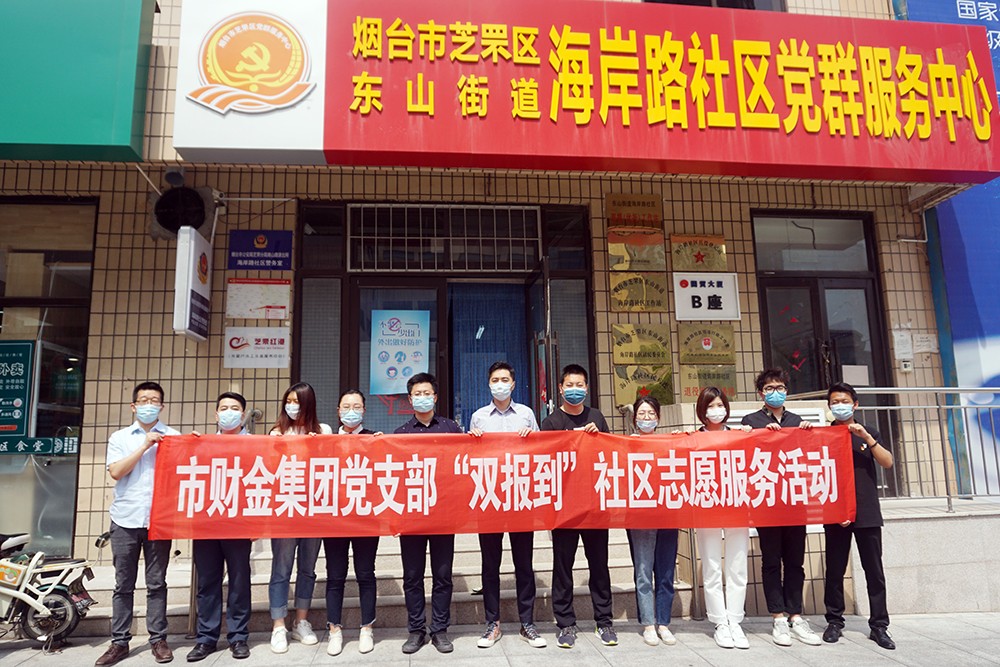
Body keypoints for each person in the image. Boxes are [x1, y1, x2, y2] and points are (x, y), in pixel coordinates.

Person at [96, 382, 178, 666]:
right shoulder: (120, 437)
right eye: (143, 400)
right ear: (133, 406)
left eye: (154, 401)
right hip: (125, 519)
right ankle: (119, 642)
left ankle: (158, 639)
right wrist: (145, 446)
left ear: (162, 406)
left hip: (159, 520)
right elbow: (116, 472)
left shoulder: (173, 436)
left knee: (157, 582)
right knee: (123, 584)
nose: (149, 405)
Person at [741, 369, 821, 647]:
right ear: (760, 393)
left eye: (780, 387)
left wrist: (809, 435)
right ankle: (777, 618)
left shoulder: (797, 421)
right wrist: (759, 435)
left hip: (795, 502)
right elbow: (745, 454)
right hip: (767, 503)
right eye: (769, 388)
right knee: (771, 561)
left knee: (795, 562)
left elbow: (811, 456)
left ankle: (796, 616)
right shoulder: (751, 421)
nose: (775, 392)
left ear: (787, 391)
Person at [468, 361, 545, 649]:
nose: (500, 384)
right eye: (495, 380)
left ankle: (528, 623)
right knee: (490, 565)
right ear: (489, 384)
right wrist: (472, 441)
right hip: (489, 498)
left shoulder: (526, 414)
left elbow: (541, 452)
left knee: (524, 563)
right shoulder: (478, 417)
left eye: (504, 380)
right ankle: (493, 623)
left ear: (513, 384)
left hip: (520, 498)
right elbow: (470, 459)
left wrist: (532, 439)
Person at [540, 364, 616, 649]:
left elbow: (611, 455)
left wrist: (599, 438)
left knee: (599, 565)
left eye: (579, 385)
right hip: (564, 508)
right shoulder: (551, 422)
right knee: (563, 567)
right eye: (569, 385)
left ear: (587, 388)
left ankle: (604, 621)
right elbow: (545, 462)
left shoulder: (597, 417)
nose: (575, 390)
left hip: (595, 505)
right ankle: (565, 624)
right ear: (560, 389)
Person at [823, 382, 896, 650]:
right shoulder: (824, 434)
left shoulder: (868, 432)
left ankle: (879, 626)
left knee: (874, 571)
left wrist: (867, 438)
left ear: (855, 404)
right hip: (836, 512)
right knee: (835, 570)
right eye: (834, 402)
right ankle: (834, 622)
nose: (839, 406)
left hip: (867, 511)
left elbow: (887, 462)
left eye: (844, 401)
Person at [393, 373, 462, 655]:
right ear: (410, 400)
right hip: (412, 516)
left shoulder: (451, 428)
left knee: (443, 575)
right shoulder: (399, 434)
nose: (422, 398)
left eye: (427, 393)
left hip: (444, 513)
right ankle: (416, 630)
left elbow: (464, 464)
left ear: (435, 397)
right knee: (412, 576)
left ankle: (440, 630)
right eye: (417, 394)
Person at [681, 387, 753, 650]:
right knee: (711, 566)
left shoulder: (739, 435)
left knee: (737, 565)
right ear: (702, 410)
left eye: (720, 405)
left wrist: (751, 435)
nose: (716, 410)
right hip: (706, 507)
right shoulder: (693, 439)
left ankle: (735, 620)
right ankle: (720, 622)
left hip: (737, 505)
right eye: (710, 406)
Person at [187, 393, 253, 662]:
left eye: (234, 408)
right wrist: (188, 446)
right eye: (224, 408)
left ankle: (238, 636)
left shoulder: (255, 444)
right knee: (207, 582)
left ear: (243, 415)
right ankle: (206, 638)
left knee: (239, 581)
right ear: (216, 415)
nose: (229, 412)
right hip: (206, 523)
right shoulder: (202, 443)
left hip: (239, 523)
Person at [267, 383, 331, 654]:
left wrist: (320, 447)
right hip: (285, 509)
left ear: (308, 404)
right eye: (289, 401)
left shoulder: (323, 430)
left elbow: (333, 466)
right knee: (281, 568)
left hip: (313, 510)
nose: (292, 406)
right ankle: (278, 625)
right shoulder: (277, 432)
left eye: (297, 401)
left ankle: (301, 622)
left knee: (307, 568)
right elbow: (268, 470)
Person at [324, 389, 381, 656]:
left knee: (366, 574)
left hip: (366, 518)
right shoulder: (326, 441)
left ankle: (367, 627)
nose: (351, 411)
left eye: (356, 406)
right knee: (335, 576)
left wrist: (382, 447)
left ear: (364, 411)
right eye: (346, 406)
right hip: (334, 518)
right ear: (338, 411)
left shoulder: (374, 439)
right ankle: (334, 629)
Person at [626, 395, 679, 648]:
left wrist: (680, 440)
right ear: (634, 418)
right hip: (640, 516)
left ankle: (664, 623)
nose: (646, 418)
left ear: (658, 417)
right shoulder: (627, 444)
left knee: (666, 572)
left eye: (651, 414)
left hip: (667, 513)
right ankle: (648, 623)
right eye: (642, 413)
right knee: (644, 571)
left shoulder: (668, 442)